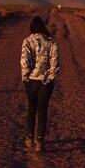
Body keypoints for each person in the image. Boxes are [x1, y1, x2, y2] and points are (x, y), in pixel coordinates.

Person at [20, 16, 59, 153]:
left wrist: (25, 77)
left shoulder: (27, 41)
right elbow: (55, 61)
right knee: (42, 110)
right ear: (43, 27)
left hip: (30, 81)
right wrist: (51, 77)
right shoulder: (51, 41)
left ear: (32, 27)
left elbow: (24, 61)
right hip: (46, 82)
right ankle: (40, 143)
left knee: (32, 107)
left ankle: (29, 138)